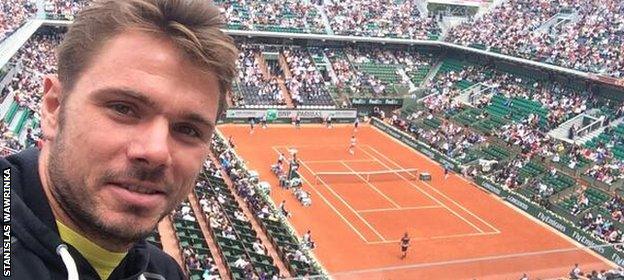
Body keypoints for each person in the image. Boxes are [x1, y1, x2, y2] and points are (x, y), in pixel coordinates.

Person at [1, 0, 238, 279]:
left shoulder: (166, 272)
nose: (156, 151)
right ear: (54, 108)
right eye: (122, 108)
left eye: (188, 130)